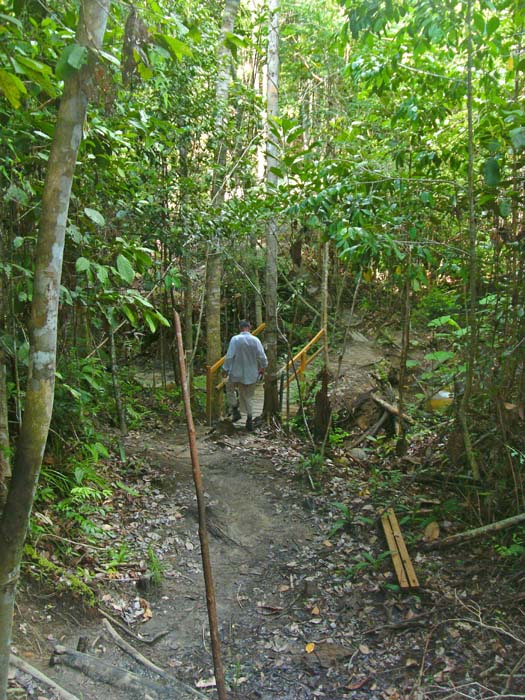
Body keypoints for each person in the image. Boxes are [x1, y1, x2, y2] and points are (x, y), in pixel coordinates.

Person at [223, 320, 267, 431]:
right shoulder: (255, 340)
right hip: (251, 374)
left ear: (240, 328)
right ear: (250, 327)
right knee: (248, 396)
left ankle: (234, 409)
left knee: (229, 388)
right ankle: (249, 419)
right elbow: (262, 356)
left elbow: (229, 356)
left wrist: (225, 368)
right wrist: (263, 367)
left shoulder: (235, 339)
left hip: (236, 373)